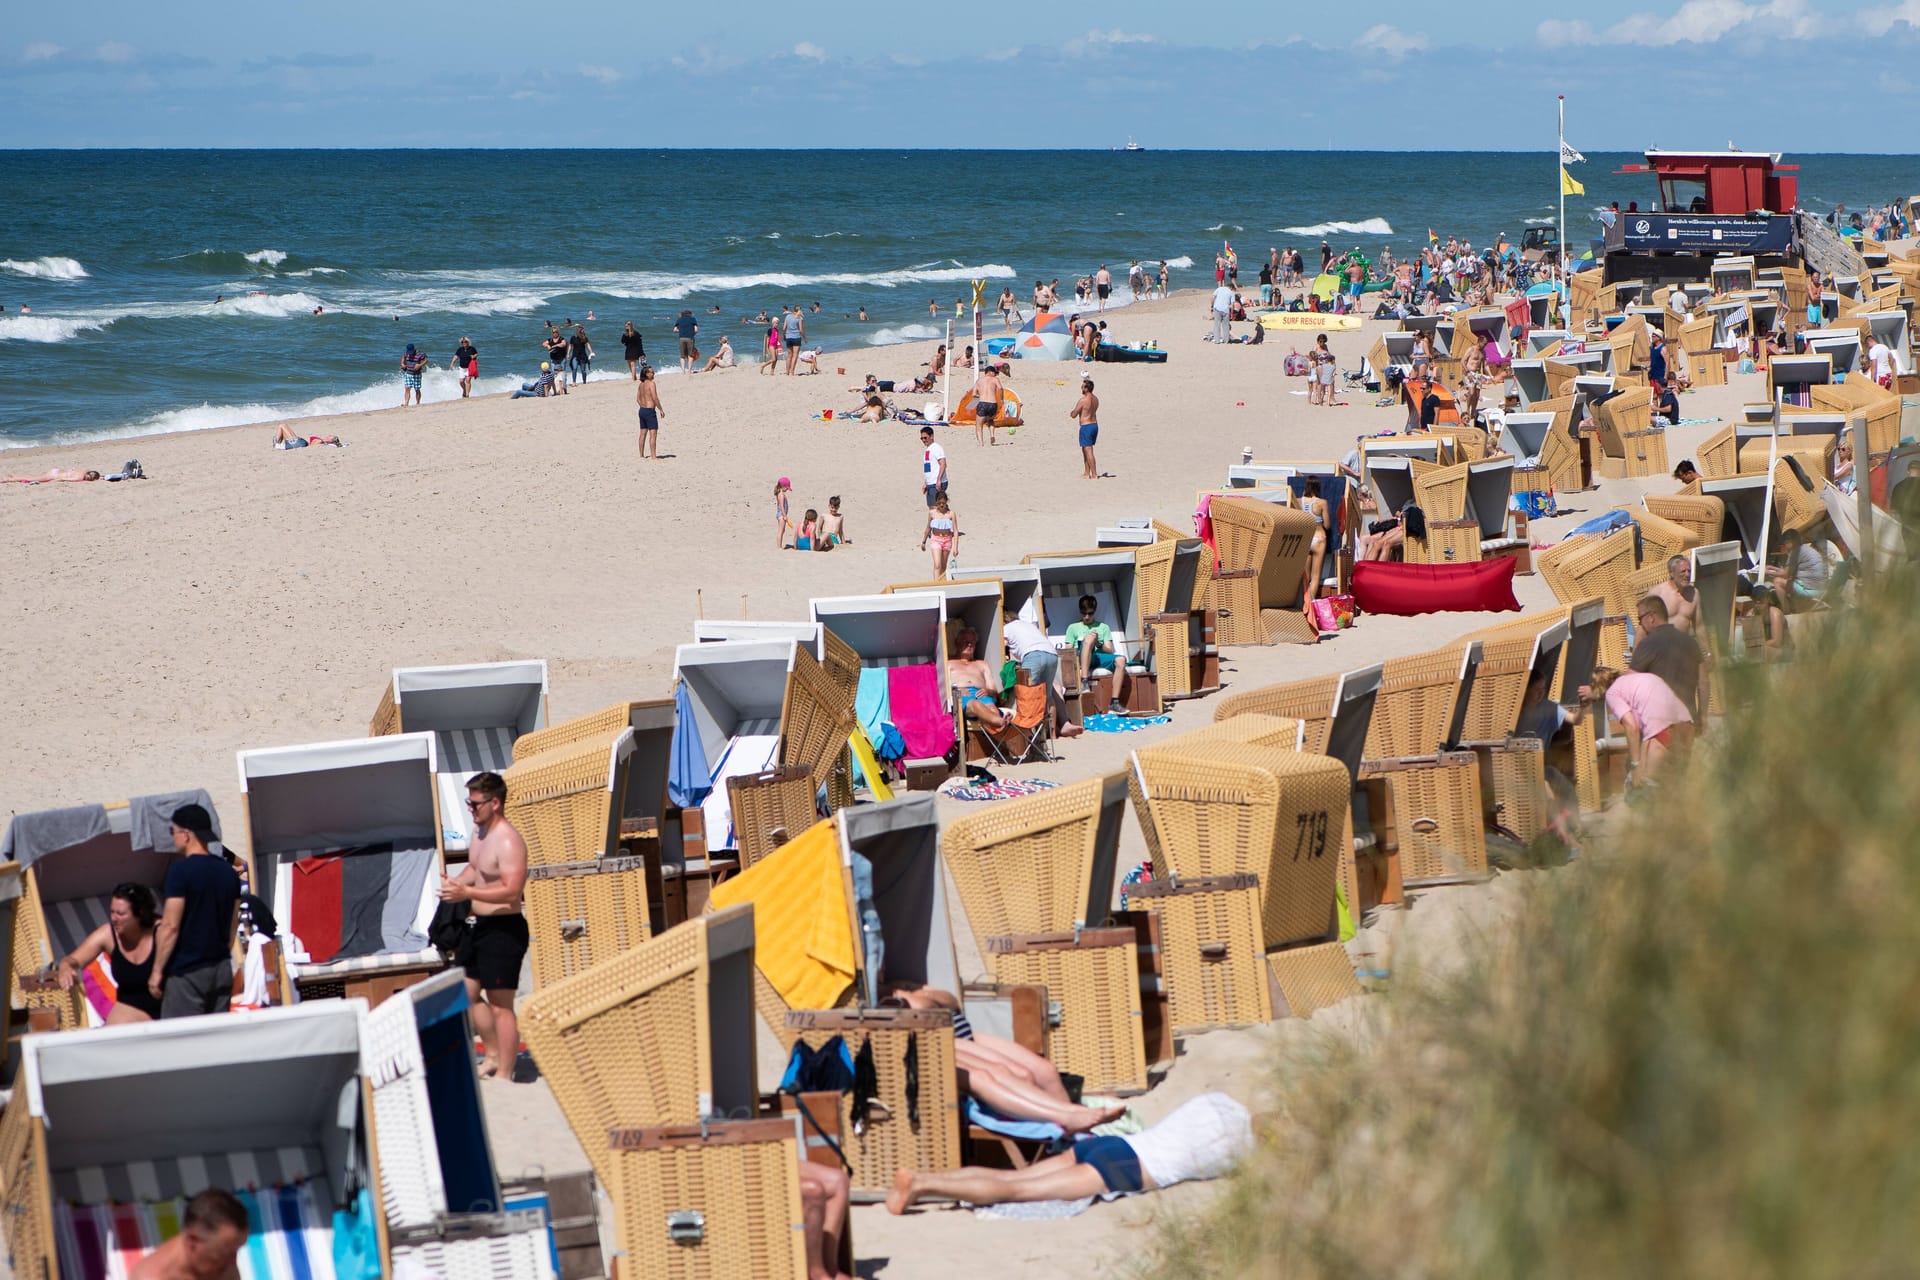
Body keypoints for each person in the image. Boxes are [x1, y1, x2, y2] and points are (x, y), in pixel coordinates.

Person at [887, 1091, 1252, 1214]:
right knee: (1013, 1191)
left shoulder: (1221, 1103)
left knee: (1012, 1179)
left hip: (1112, 1144)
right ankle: (920, 1186)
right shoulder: (1245, 1150)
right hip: (1126, 1168)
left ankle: (923, 1179)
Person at [441, 771, 529, 1080]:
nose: (470, 809)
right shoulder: (479, 835)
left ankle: (506, 1071)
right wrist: (456, 884)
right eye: (467, 802)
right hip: (479, 926)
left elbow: (512, 889)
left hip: (505, 929)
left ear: (495, 802)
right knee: (467, 992)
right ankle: (492, 1055)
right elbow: (475, 868)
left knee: (501, 1003)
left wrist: (467, 893)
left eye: (475, 803)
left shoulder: (508, 840)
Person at [152, 804, 240, 1019]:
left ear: (186, 834)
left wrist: (156, 971)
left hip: (188, 971)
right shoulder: (228, 872)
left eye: (172, 831)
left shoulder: (180, 872)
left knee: (181, 1041)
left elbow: (171, 926)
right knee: (216, 1038)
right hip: (221, 968)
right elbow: (232, 925)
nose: (172, 838)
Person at [55, 883, 163, 1024]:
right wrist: (65, 967)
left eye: (121, 913)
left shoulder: (162, 931)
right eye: (112, 912)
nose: (114, 918)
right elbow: (73, 959)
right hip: (130, 1008)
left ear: (140, 913)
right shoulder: (108, 935)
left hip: (168, 1006)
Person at [1593, 666, 1692, 788]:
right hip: (1687, 726)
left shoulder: (1612, 692)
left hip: (1661, 731)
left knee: (1643, 787)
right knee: (1676, 784)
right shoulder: (1642, 678)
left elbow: (1632, 727)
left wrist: (1635, 764)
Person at [130, 1188, 249, 1280]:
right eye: (224, 1253)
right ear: (192, 1242)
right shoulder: (151, 1277)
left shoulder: (222, 1264)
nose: (233, 1262)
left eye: (236, 1250)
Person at [1003, 605, 1083, 740]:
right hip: (1052, 654)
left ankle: (1031, 734)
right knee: (1047, 695)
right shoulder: (1028, 626)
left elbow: (1003, 645)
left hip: (1033, 656)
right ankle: (1051, 734)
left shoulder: (1006, 628)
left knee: (1030, 695)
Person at [1630, 594, 1707, 721]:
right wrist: (1702, 716)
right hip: (1687, 721)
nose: (1640, 624)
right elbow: (1703, 682)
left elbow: (1632, 681)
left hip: (1660, 724)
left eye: (1640, 619)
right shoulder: (1691, 643)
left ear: (1651, 618)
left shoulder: (1647, 645)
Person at [945, 625, 1007, 733]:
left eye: (972, 642)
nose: (969, 644)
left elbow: (993, 690)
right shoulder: (948, 663)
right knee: (975, 704)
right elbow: (941, 686)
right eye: (965, 641)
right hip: (961, 696)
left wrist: (988, 691)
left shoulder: (982, 664)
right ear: (957, 642)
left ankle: (998, 726)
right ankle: (1000, 722)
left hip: (983, 695)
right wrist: (954, 690)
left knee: (992, 707)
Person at [1063, 594, 1123, 702]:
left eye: (1090, 613)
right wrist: (1087, 642)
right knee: (1088, 639)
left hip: (1098, 656)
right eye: (1084, 613)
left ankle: (1115, 701)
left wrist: (1097, 643)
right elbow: (1068, 651)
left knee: (1121, 660)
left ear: (1094, 611)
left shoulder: (1103, 627)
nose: (1086, 617)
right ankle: (1084, 680)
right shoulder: (1072, 627)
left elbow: (1110, 650)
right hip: (1080, 657)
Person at [1300, 478, 1331, 605]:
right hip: (1319, 537)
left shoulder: (1297, 501)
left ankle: (1304, 603)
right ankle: (1311, 604)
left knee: (1305, 577)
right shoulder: (1321, 503)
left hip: (1306, 538)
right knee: (1316, 575)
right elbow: (1327, 525)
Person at [1651, 554, 1699, 633]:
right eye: (1683, 571)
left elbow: (1699, 627)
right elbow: (1643, 627)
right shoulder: (1658, 593)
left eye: (1689, 571)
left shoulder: (1694, 593)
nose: (1687, 574)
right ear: (1671, 573)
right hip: (1663, 644)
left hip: (1683, 644)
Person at [1070, 376, 1100, 480]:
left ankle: (1094, 474)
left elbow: (1074, 414)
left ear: (1087, 389)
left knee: (1088, 450)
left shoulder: (1083, 400)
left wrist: (1072, 413)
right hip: (1094, 425)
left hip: (1086, 426)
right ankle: (1087, 473)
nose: (1081, 388)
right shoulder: (1096, 399)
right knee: (1085, 449)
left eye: (1083, 387)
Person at [921, 491, 957, 578]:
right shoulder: (932, 513)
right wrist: (924, 541)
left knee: (943, 566)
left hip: (947, 540)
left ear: (946, 502)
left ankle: (942, 584)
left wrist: (955, 548)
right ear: (936, 501)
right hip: (936, 540)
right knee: (937, 564)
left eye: (943, 503)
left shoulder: (951, 514)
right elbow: (928, 528)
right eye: (939, 503)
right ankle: (936, 585)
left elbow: (955, 531)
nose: (941, 505)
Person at [634, 365, 664, 460]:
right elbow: (655, 397)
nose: (653, 373)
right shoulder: (651, 384)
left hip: (642, 410)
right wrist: (660, 409)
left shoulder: (641, 384)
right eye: (651, 372)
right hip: (650, 411)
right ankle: (653, 456)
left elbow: (637, 399)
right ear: (647, 374)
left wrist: (642, 406)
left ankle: (641, 455)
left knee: (643, 433)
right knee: (653, 434)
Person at [970, 365, 1003, 447]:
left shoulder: (979, 381)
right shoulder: (995, 379)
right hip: (993, 403)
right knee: (991, 420)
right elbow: (1001, 388)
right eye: (994, 373)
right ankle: (992, 435)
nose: (995, 375)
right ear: (990, 372)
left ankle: (981, 444)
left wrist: (980, 395)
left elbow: (974, 394)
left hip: (982, 403)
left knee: (979, 425)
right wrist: (1002, 399)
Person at [919, 425, 948, 508]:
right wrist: (926, 482)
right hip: (930, 483)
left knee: (936, 507)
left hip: (936, 483)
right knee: (932, 506)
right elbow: (928, 468)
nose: (924, 440)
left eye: (925, 438)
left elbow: (943, 464)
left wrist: (939, 480)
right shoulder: (928, 450)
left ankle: (949, 518)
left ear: (931, 436)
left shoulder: (936, 448)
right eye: (922, 438)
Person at [1309, 333, 1337, 407]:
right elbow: (1312, 358)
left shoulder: (1325, 346)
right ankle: (1319, 398)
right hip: (1319, 367)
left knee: (1331, 382)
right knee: (1320, 384)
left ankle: (1331, 397)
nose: (1322, 343)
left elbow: (1329, 355)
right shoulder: (1315, 348)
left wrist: (1332, 362)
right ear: (1318, 341)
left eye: (1323, 342)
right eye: (1320, 341)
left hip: (1326, 366)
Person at [271, 423, 341, 449]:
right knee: (283, 428)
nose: (328, 435)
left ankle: (276, 443)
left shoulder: (320, 441)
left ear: (331, 440)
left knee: (283, 425)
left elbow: (311, 446)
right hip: (300, 441)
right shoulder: (322, 441)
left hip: (300, 443)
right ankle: (278, 443)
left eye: (330, 436)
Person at [673, 309, 699, 374]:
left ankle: (683, 371)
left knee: (682, 356)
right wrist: (691, 333)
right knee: (690, 355)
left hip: (681, 338)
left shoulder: (679, 319)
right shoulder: (693, 319)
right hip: (690, 338)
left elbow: (675, 330)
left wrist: (682, 330)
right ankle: (689, 371)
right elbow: (696, 330)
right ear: (690, 314)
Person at [783, 303, 806, 376]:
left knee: (789, 355)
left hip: (788, 337)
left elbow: (784, 328)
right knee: (795, 355)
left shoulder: (787, 316)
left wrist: (784, 336)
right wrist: (805, 338)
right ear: (800, 310)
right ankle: (792, 372)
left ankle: (787, 372)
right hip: (796, 337)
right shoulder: (799, 318)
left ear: (793, 309)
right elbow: (801, 330)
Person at [4, 468, 103, 483]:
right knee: (31, 479)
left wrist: (101, 476)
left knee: (34, 476)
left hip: (56, 469)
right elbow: (63, 479)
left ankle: (14, 476)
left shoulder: (85, 469)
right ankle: (8, 479)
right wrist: (52, 481)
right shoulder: (80, 478)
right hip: (54, 475)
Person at [1211, 279, 1234, 343]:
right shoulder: (1231, 292)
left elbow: (1213, 297)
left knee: (1217, 325)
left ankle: (1217, 340)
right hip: (1226, 310)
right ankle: (1226, 340)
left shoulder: (1219, 289)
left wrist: (1212, 305)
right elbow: (1232, 305)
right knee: (1226, 326)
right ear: (1231, 287)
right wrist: (1231, 313)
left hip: (1217, 308)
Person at [774, 477, 794, 549]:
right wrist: (784, 515)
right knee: (781, 531)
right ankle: (779, 547)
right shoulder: (781, 495)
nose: (787, 490)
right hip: (781, 515)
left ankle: (779, 546)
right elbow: (782, 506)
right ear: (783, 486)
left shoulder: (779, 493)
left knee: (782, 530)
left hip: (780, 514)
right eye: (787, 488)